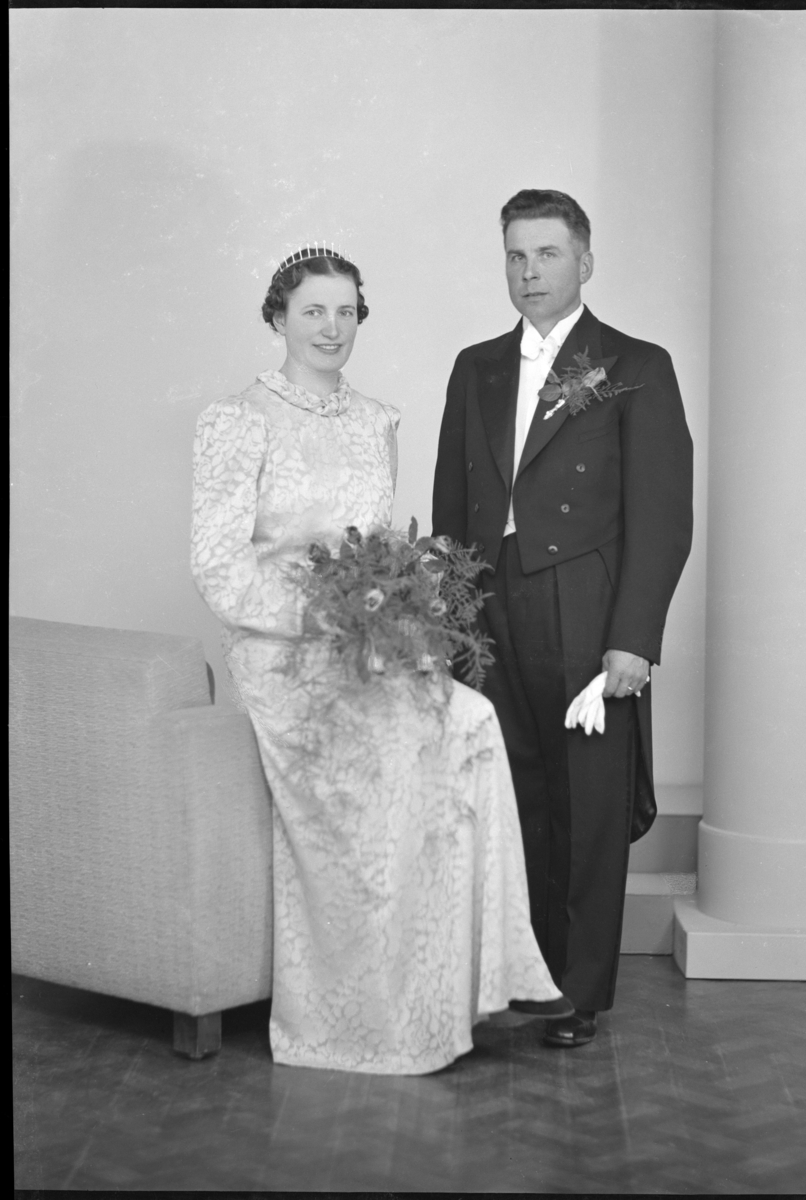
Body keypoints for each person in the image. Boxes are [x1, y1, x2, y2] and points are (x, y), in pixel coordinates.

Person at [190, 243, 562, 1074]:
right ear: (278, 317)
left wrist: (396, 612)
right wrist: (319, 617)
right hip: (282, 657)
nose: (331, 327)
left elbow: (380, 547)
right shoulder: (236, 420)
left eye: (346, 311)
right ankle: (365, 1016)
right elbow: (217, 567)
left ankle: (475, 980)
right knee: (393, 753)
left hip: (371, 644)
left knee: (471, 720)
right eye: (312, 311)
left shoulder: (376, 421)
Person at [432, 190, 693, 1048]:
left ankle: (577, 993)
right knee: (516, 794)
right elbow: (451, 503)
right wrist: (452, 621)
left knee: (587, 802)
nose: (529, 271)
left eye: (547, 253)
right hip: (490, 601)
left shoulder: (635, 364)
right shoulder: (475, 366)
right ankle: (524, 975)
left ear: (585, 260)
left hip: (586, 602)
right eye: (516, 255)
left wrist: (633, 639)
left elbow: (663, 517)